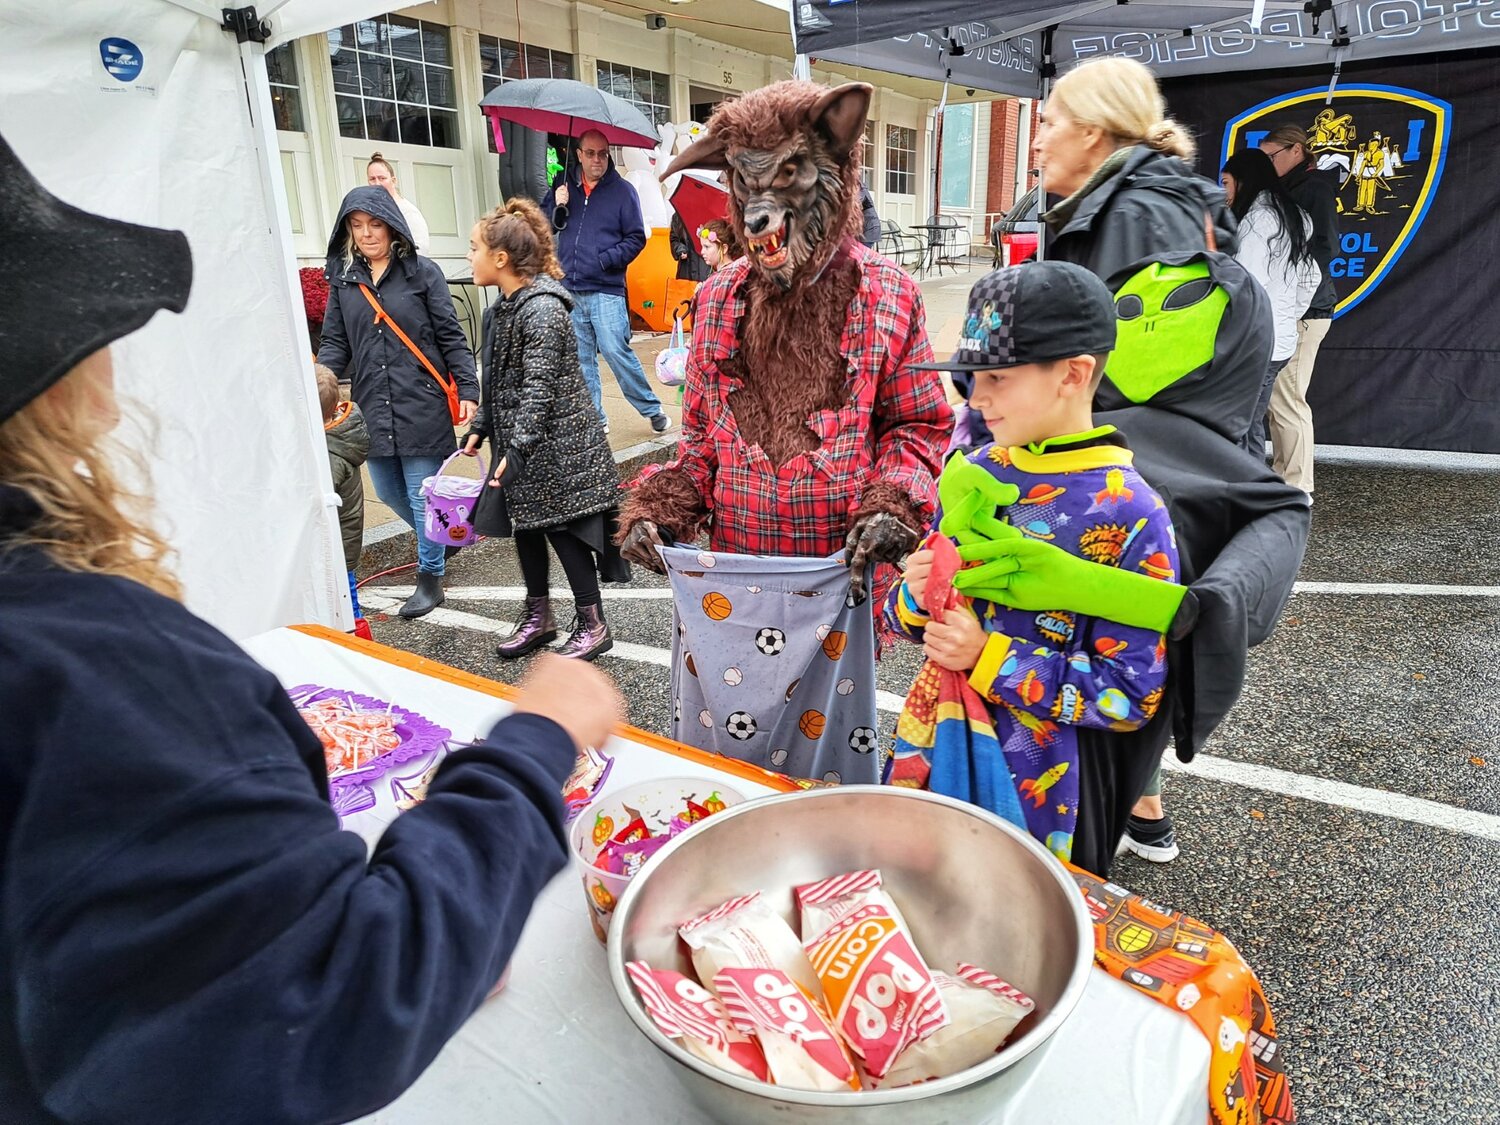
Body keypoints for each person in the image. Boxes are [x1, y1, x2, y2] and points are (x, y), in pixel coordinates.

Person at [0, 131, 625, 1123]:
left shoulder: (515, 303)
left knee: (488, 531)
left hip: (468, 436)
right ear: (65, 375)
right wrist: (526, 752)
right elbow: (327, 994)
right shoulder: (90, 663)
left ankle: (497, 593)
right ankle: (508, 599)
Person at [887, 262, 1180, 872]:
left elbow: (1130, 694)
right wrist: (915, 596)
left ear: (1073, 374)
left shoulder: (1132, 513)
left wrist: (987, 656)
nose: (977, 398)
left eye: (997, 377)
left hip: (1041, 796)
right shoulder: (975, 474)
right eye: (971, 378)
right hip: (934, 746)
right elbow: (912, 620)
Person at [1032, 55, 1236, 860]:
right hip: (1151, 463)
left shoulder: (1137, 214)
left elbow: (1126, 373)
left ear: (1092, 131)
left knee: (1107, 636)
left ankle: (1096, 832)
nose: (1039, 137)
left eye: (1049, 120)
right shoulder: (1134, 201)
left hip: (1137, 468)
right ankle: (1140, 805)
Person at [461, 199, 626, 662]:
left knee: (564, 530)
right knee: (526, 530)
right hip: (521, 445)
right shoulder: (502, 310)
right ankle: (540, 618)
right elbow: (494, 377)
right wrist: (481, 426)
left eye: (473, 248)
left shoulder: (544, 309)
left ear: (500, 258)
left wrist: (517, 447)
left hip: (559, 450)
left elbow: (540, 386)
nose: (468, 258)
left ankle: (593, 624)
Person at [317, 186, 478, 619]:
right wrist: (320, 383)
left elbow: (451, 335)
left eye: (374, 225)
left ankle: (430, 577)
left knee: (422, 495)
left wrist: (468, 388)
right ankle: (442, 541)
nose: (367, 234)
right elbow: (334, 342)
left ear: (391, 226)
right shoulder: (346, 281)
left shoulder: (423, 273)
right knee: (388, 491)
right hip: (372, 405)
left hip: (421, 401)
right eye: (357, 226)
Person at [1036, 56, 1237, 286]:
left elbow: (1117, 321)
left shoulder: (1129, 216)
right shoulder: (1140, 206)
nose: (1037, 143)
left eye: (1050, 124)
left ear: (1091, 132)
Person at [543, 129, 670, 436]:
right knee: (581, 359)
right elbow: (545, 225)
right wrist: (555, 204)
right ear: (578, 155)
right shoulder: (563, 185)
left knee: (616, 351)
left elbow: (636, 237)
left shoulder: (623, 191)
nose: (597, 160)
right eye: (590, 153)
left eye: (603, 153)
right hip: (570, 287)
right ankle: (595, 418)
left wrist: (604, 260)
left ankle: (651, 409)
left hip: (605, 288)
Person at [1222, 148, 1320, 462]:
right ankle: (1250, 493)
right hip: (1279, 339)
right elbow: (1311, 278)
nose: (1222, 192)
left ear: (1242, 180)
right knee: (1250, 423)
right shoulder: (1297, 215)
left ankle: (1245, 495)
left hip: (1254, 342)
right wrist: (1287, 317)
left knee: (1239, 424)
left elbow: (1248, 284)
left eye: (1225, 183)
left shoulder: (1257, 219)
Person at [1260, 124, 1340, 498]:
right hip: (1289, 308)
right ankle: (1283, 478)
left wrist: (1295, 300)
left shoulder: (1315, 188)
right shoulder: (1282, 189)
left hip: (1305, 311)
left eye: (1272, 155)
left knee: (1288, 397)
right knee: (1278, 399)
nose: (1267, 163)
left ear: (1296, 150)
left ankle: (1296, 486)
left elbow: (1323, 249)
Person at [316, 362, 370, 619]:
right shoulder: (343, 432)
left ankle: (357, 633)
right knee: (346, 590)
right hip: (344, 537)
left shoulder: (328, 452)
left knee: (346, 599)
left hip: (338, 542)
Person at [367, 152, 431, 255]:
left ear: (393, 180)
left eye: (382, 178)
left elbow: (421, 249)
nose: (377, 183)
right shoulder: (369, 211)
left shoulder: (408, 211)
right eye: (372, 179)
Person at [669, 211, 710, 282]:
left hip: (706, 268)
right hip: (686, 269)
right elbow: (674, 239)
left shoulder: (708, 213)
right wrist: (680, 249)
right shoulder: (678, 215)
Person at [858, 182, 881, 248]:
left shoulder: (862, 190)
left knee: (863, 252)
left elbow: (856, 203)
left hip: (870, 227)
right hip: (867, 227)